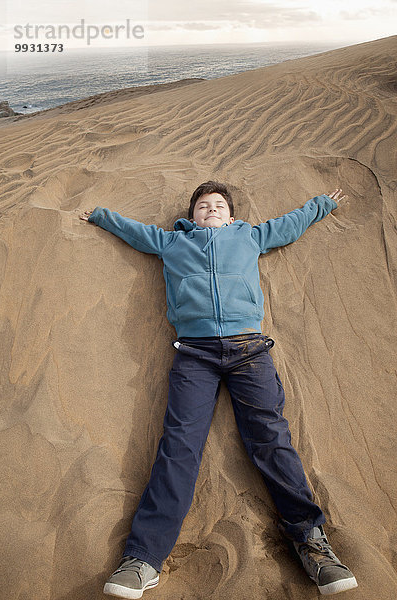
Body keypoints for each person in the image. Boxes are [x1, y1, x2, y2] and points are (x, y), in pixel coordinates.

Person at [79, 181, 358, 598]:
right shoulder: (171, 242)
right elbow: (135, 232)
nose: (211, 209)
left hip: (250, 351)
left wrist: (320, 205)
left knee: (271, 438)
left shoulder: (249, 235)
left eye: (219, 205)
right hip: (195, 355)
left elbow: (290, 225)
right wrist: (101, 215)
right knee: (179, 445)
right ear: (191, 215)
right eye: (203, 205)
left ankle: (312, 543)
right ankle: (144, 559)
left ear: (231, 215)